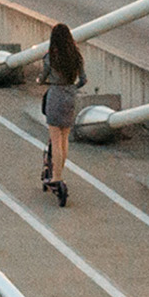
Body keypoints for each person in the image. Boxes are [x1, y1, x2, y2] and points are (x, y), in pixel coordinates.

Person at [39, 22, 85, 208]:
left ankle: (56, 178)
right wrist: (73, 88)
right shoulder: (76, 56)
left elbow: (42, 77)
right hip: (70, 96)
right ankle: (60, 173)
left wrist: (40, 80)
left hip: (55, 95)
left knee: (55, 139)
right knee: (64, 139)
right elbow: (83, 79)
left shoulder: (50, 57)